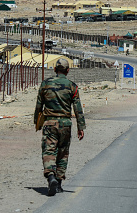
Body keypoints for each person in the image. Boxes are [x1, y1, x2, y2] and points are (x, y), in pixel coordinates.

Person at [35, 59, 86, 196]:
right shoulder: (72, 87)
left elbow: (39, 106)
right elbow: (78, 109)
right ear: (68, 70)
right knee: (63, 154)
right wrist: (80, 127)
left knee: (49, 151)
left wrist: (36, 122)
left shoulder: (45, 84)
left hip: (49, 123)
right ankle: (58, 183)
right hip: (65, 124)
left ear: (55, 69)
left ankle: (51, 176)